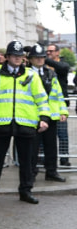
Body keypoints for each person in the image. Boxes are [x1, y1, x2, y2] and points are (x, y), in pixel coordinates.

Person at [0, 40, 50, 204]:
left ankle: (26, 191)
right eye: (14, 55)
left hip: (25, 123)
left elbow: (42, 99)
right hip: (1, 123)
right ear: (7, 56)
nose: (17, 58)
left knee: (26, 161)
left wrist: (44, 118)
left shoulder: (31, 74)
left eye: (20, 56)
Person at [27, 44, 67, 183]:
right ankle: (31, 173)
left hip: (51, 115)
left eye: (42, 57)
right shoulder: (26, 73)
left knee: (51, 147)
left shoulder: (51, 73)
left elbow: (58, 94)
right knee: (33, 147)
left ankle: (51, 171)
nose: (39, 60)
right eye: (36, 57)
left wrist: (63, 111)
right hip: (34, 116)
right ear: (30, 59)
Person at [45, 43, 71, 166]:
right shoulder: (43, 66)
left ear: (57, 53)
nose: (48, 53)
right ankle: (44, 159)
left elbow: (62, 68)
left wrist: (45, 60)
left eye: (51, 51)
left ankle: (64, 159)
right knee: (45, 134)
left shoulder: (63, 64)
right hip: (45, 105)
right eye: (47, 51)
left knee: (62, 134)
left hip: (59, 105)